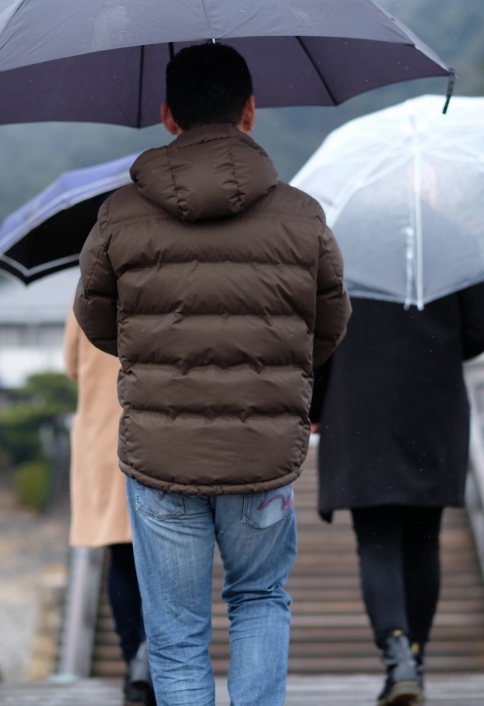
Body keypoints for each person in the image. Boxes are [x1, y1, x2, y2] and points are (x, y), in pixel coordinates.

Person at [74, 41, 351, 706]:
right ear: (251, 112)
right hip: (263, 449)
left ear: (167, 115)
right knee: (258, 596)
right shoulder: (302, 215)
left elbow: (96, 321)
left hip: (160, 454)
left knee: (175, 632)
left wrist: (155, 356)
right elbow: (330, 324)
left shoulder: (119, 214)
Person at [312, 285, 484, 706]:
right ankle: (415, 656)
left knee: (377, 543)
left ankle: (396, 656)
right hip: (429, 399)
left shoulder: (346, 244)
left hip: (359, 403)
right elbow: (483, 328)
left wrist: (314, 404)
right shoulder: (451, 242)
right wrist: (436, 337)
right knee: (423, 541)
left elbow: (318, 331)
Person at [62, 307, 153, 706]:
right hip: (153, 430)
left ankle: (133, 657)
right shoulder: (160, 282)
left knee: (121, 553)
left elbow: (71, 366)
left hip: (103, 434)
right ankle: (155, 654)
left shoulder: (88, 289)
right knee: (167, 552)